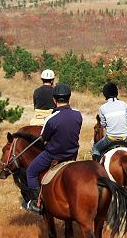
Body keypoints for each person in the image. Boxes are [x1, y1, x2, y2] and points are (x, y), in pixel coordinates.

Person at [23, 83, 83, 214]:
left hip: (54, 155)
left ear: (54, 100)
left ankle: (37, 203)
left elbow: (44, 138)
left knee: (31, 172)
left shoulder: (51, 118)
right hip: (72, 154)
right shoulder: (78, 114)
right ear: (69, 98)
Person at [92, 82, 127, 162]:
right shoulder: (124, 104)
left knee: (96, 149)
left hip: (110, 139)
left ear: (105, 94)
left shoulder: (102, 108)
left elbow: (103, 124)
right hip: (125, 138)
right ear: (116, 92)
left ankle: (97, 170)